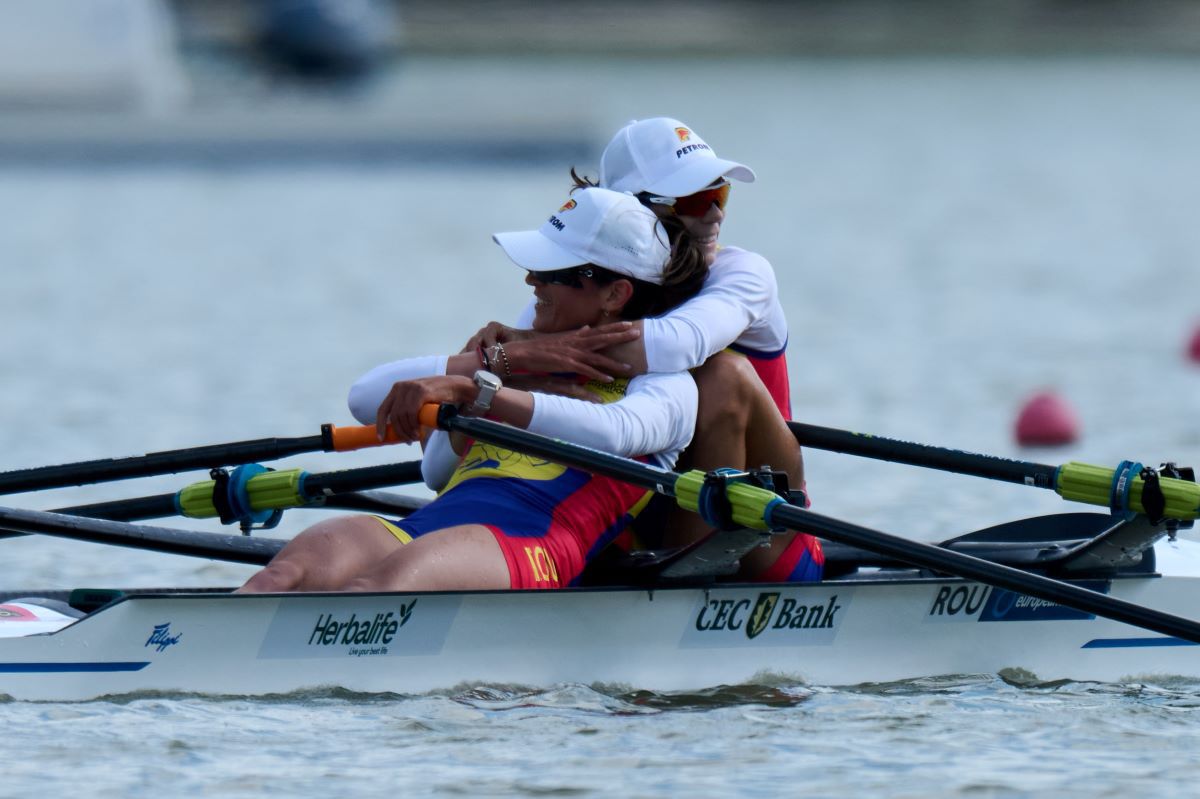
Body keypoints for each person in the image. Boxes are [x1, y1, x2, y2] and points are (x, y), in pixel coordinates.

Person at [238, 187, 708, 593]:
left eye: (552, 273)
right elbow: (415, 447)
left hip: (529, 545)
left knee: (376, 586)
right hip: (428, 527)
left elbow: (613, 433)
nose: (531, 281)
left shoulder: (666, 386)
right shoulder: (510, 365)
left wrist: (476, 392)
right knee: (283, 575)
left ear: (615, 295)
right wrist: (494, 366)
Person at [466, 118, 822, 583]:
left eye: (720, 196)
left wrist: (529, 349)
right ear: (631, 209)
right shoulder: (575, 286)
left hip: (764, 533)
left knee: (722, 378)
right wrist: (503, 365)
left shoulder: (743, 274)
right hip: (632, 513)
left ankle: (684, 588)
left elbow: (676, 344)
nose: (716, 215)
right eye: (696, 201)